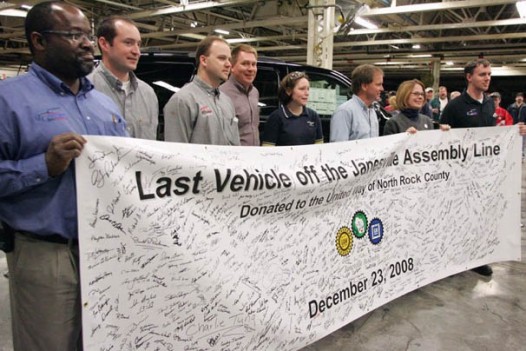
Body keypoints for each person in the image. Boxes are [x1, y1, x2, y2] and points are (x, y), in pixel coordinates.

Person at [0, 2, 128, 350]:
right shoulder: (8, 100)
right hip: (45, 255)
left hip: (104, 249)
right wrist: (43, 166)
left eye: (87, 34)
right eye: (74, 35)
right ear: (39, 41)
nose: (87, 43)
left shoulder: (103, 106)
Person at [440, 58, 526, 276]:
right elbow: (440, 141)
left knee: (481, 215)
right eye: (482, 74)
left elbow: (494, 135)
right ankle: (451, 256)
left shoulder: (489, 103)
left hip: (484, 173)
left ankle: (476, 258)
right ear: (469, 77)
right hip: (460, 174)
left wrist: (515, 132)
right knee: (459, 217)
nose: (487, 78)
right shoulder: (454, 107)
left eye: (489, 74)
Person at [89, 16, 158, 140]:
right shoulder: (85, 90)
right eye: (128, 43)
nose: (137, 51)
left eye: (138, 44)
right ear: (104, 44)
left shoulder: (148, 94)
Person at [164, 36, 240, 145]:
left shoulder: (227, 101)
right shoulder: (182, 101)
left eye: (229, 59)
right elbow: (176, 155)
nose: (228, 64)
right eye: (222, 58)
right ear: (204, 60)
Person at [261, 71, 323, 146]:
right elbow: (268, 149)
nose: (307, 93)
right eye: (302, 89)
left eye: (308, 89)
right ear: (288, 91)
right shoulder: (276, 117)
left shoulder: (313, 116)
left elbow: (319, 147)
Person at [330, 64, 383, 141]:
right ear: (364, 86)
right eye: (378, 84)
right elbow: (339, 149)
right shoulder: (344, 112)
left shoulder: (372, 111)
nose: (382, 88)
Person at [219, 44, 260, 146]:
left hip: (254, 157)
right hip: (233, 158)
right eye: (245, 64)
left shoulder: (254, 92)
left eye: (253, 64)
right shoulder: (221, 94)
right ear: (232, 67)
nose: (251, 69)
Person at [383, 79, 450, 135]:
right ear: (404, 95)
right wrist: (404, 138)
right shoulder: (393, 123)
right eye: (416, 94)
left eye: (422, 94)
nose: (420, 97)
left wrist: (442, 134)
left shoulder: (427, 121)